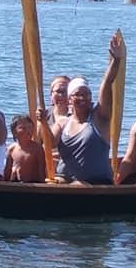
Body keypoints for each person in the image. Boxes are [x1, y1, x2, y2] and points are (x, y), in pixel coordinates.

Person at [42, 33, 124, 185]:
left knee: (76, 185)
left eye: (86, 94)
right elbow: (50, 143)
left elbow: (107, 84)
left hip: (96, 182)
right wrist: (42, 122)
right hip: (64, 179)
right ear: (69, 99)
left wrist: (116, 61)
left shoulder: (100, 117)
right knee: (50, 183)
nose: (83, 99)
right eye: (78, 95)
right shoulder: (62, 122)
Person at [4, 114, 46, 183]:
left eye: (30, 127)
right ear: (14, 132)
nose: (28, 131)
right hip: (15, 183)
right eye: (23, 128)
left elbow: (41, 172)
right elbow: (7, 173)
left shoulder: (37, 148)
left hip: (33, 184)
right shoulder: (11, 149)